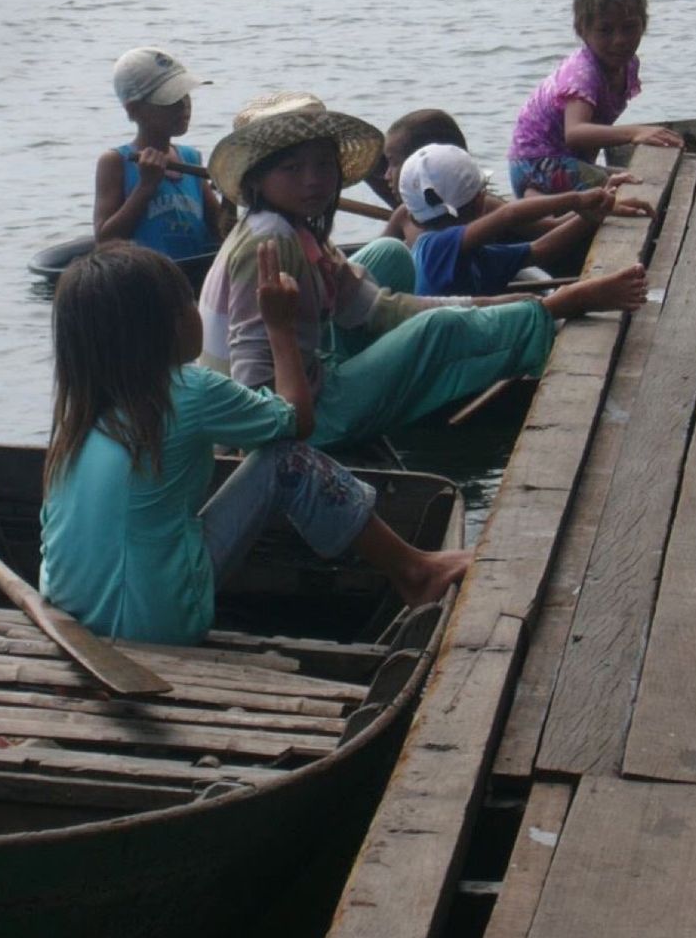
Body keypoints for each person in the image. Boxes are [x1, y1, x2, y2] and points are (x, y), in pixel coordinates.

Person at [39, 243, 474, 644]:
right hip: (154, 625)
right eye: (188, 303)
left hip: (70, 622)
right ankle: (416, 572)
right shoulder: (188, 388)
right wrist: (278, 327)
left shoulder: (77, 412)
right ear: (166, 328)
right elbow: (295, 422)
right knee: (286, 461)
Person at [198, 94, 647, 450]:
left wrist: (492, 303)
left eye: (321, 165)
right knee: (438, 326)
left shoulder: (295, 228)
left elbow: (377, 309)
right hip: (292, 422)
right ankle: (554, 309)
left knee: (390, 255)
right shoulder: (269, 244)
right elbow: (253, 390)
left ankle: (518, 315)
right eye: (292, 169)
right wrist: (534, 304)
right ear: (257, 180)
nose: (313, 180)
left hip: (307, 376)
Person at [509, 0, 684, 196]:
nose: (619, 40)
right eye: (605, 30)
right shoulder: (584, 73)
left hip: (565, 162)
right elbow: (576, 133)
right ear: (583, 30)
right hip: (537, 163)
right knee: (632, 187)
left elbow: (596, 128)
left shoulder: (627, 64)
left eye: (629, 27)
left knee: (644, 179)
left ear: (644, 25)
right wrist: (635, 132)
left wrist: (591, 171)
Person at [397, 144, 634, 298]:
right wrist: (578, 199)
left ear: (412, 215)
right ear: (481, 201)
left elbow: (541, 250)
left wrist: (597, 209)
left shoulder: (475, 255)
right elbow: (508, 215)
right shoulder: (431, 249)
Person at [94, 47, 220, 259]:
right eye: (170, 100)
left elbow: (219, 230)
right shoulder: (116, 162)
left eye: (185, 95)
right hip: (147, 281)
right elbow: (104, 241)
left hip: (193, 275)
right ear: (133, 110)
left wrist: (231, 195)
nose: (184, 106)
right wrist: (145, 186)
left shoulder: (191, 159)